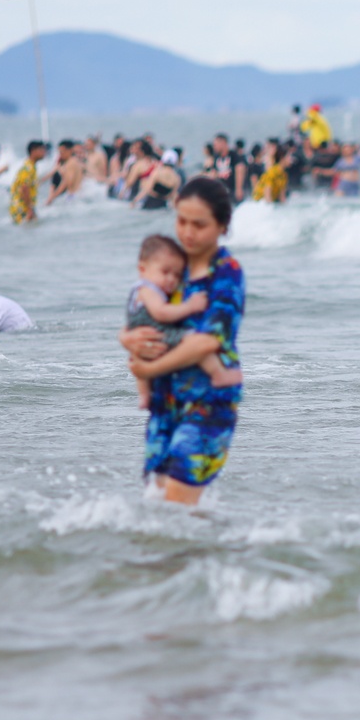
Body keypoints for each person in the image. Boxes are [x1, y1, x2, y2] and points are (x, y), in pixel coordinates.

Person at [118, 177, 244, 505]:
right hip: (164, 404)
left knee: (177, 506)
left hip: (208, 403)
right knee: (157, 504)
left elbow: (207, 342)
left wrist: (148, 367)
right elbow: (141, 314)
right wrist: (127, 338)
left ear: (221, 226)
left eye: (199, 224)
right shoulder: (173, 266)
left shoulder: (226, 273)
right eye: (181, 221)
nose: (187, 232)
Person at [126, 233, 238, 409]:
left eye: (176, 275)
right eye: (165, 272)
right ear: (142, 269)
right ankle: (219, 373)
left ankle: (144, 396)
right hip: (159, 334)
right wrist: (190, 307)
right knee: (193, 340)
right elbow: (161, 313)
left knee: (139, 362)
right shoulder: (149, 290)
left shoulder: (139, 290)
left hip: (144, 343)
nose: (171, 279)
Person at [10, 141, 44, 223]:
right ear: (33, 151)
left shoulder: (31, 166)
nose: (44, 152)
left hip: (22, 207)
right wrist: (30, 209)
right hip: (22, 209)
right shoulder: (28, 167)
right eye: (41, 150)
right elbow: (24, 187)